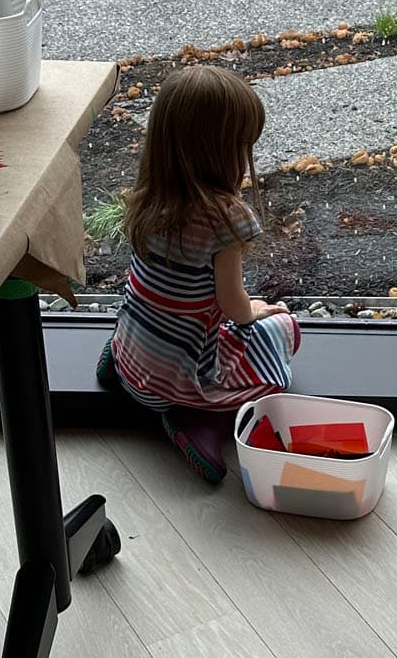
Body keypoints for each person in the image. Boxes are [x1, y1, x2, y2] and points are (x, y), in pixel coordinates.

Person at [99, 63, 300, 483]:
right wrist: (259, 310)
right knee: (285, 332)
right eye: (243, 146)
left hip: (132, 360)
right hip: (178, 385)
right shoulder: (226, 218)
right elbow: (233, 306)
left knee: (164, 315)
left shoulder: (145, 198)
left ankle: (119, 363)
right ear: (221, 152)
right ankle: (197, 418)